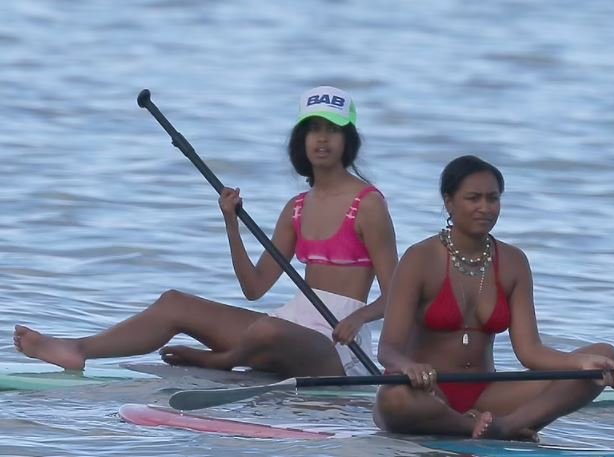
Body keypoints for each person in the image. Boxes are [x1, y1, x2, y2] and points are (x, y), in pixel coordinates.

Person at [14, 86, 398, 378]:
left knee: (268, 329)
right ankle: (78, 349)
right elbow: (254, 287)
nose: (322, 138)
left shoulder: (367, 203)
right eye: (313, 129)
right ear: (301, 139)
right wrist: (231, 221)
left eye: (333, 129)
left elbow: (396, 293)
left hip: (340, 349)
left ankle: (222, 361)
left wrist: (360, 318)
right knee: (174, 302)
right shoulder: (296, 207)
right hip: (289, 326)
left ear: (349, 139)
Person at [373, 155, 614, 440]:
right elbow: (388, 350)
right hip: (427, 393)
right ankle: (471, 427)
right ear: (449, 202)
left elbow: (530, 352)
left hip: (488, 393)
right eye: (473, 198)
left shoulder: (514, 261)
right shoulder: (419, 258)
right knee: (394, 400)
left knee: (604, 356)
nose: (485, 208)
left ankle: (508, 425)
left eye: (493, 199)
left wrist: (582, 365)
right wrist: (410, 368)